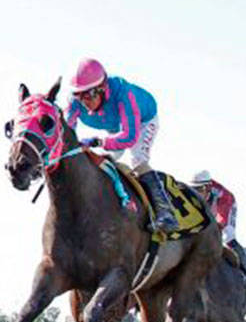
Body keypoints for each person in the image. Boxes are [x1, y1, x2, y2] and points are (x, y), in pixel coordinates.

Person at [65, 58, 176, 232]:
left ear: (101, 89)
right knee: (102, 158)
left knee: (137, 159)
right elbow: (66, 132)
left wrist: (98, 141)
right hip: (114, 125)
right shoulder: (75, 101)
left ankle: (166, 212)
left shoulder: (124, 95)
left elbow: (129, 137)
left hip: (142, 121)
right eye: (79, 95)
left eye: (88, 95)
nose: (84, 102)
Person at [192, 171, 246, 285]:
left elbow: (221, 223)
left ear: (208, 187)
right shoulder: (195, 194)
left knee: (227, 236)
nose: (196, 193)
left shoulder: (223, 196)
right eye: (194, 189)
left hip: (226, 206)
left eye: (199, 190)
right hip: (211, 204)